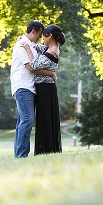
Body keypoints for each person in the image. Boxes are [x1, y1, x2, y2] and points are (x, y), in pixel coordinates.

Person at [10, 20, 57, 157]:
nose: (41, 37)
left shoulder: (30, 45)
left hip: (30, 87)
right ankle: (21, 155)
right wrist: (51, 74)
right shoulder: (21, 46)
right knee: (27, 119)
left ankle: (18, 154)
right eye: (40, 34)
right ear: (33, 32)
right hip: (23, 86)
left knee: (22, 121)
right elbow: (31, 68)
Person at [21, 24, 65, 155]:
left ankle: (46, 150)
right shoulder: (49, 48)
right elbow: (38, 47)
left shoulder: (52, 52)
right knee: (44, 119)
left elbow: (34, 65)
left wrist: (28, 49)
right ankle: (47, 149)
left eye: (44, 36)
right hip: (45, 89)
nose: (42, 39)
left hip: (45, 90)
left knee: (45, 119)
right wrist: (26, 41)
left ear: (50, 36)